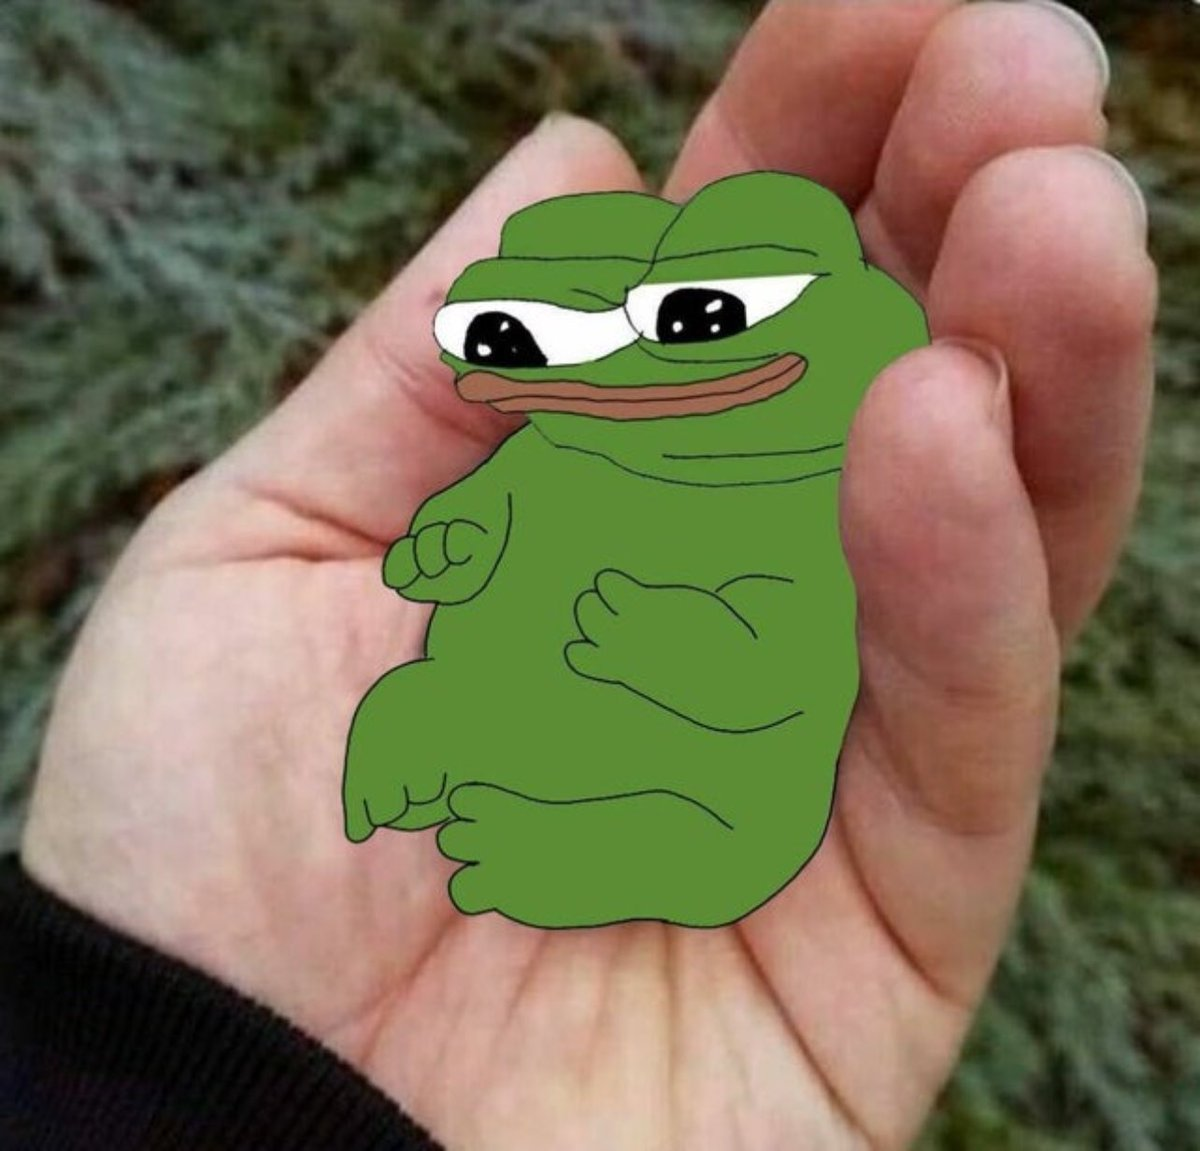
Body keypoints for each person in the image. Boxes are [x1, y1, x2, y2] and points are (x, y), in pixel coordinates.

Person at [1, 2, 1158, 1148]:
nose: (618, 377)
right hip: (488, 731)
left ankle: (572, 842)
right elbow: (486, 509)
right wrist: (457, 540)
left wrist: (695, 653)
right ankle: (453, 750)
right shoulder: (559, 446)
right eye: (536, 343)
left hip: (695, 789)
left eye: (690, 324)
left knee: (702, 825)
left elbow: (788, 667)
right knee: (442, 706)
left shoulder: (812, 510)